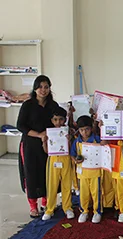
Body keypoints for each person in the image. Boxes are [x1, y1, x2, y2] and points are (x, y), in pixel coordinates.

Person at [17, 75, 59, 217]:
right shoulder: (28, 105)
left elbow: (60, 121)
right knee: (31, 174)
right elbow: (20, 125)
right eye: (40, 87)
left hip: (48, 145)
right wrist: (39, 135)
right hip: (30, 145)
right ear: (35, 88)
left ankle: (46, 203)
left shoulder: (53, 106)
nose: (43, 90)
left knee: (47, 173)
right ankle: (33, 206)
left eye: (46, 87)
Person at [41, 107, 74, 221]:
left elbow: (71, 150)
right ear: (52, 120)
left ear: (65, 120)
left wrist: (69, 140)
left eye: (61, 119)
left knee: (66, 184)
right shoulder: (49, 132)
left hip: (66, 160)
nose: (58, 122)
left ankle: (67, 207)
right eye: (55, 119)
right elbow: (46, 151)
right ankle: (49, 209)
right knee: (52, 185)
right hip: (53, 160)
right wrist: (44, 142)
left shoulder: (68, 132)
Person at [70, 115, 102, 223]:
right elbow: (73, 154)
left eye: (87, 129)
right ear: (78, 130)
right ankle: (84, 211)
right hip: (82, 173)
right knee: (83, 194)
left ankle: (97, 212)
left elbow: (104, 148)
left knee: (96, 193)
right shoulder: (77, 141)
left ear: (91, 128)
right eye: (81, 130)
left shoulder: (97, 139)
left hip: (95, 172)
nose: (84, 132)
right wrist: (75, 160)